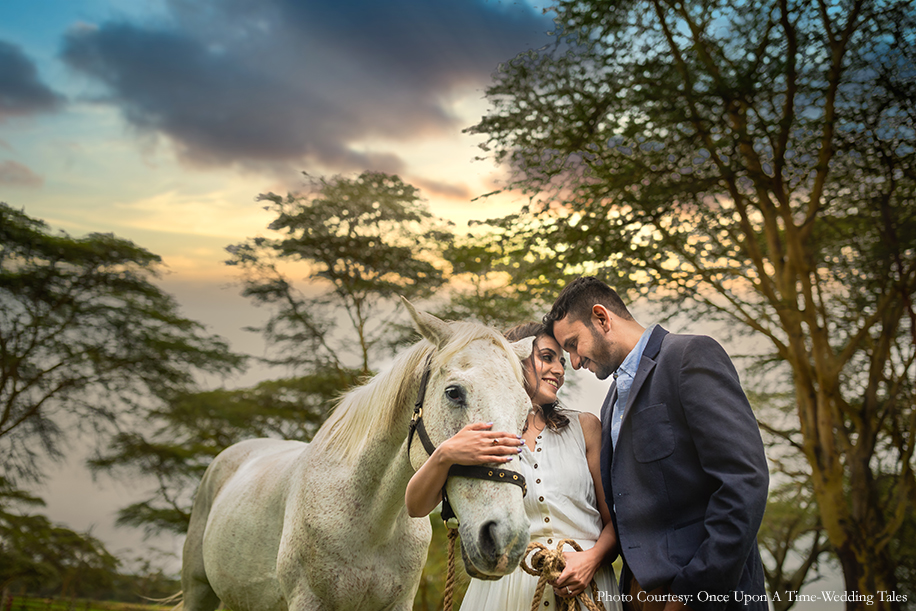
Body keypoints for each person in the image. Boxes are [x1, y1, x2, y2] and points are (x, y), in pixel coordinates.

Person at [543, 277, 769, 611]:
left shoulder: (689, 356)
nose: (574, 362)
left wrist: (692, 593)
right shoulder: (610, 403)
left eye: (574, 344)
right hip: (637, 596)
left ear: (602, 318)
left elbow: (744, 481)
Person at [405, 321, 623, 611]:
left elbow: (616, 522)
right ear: (513, 360)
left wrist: (592, 559)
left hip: (587, 585)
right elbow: (416, 507)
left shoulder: (585, 428)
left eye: (562, 362)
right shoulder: (482, 433)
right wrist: (445, 454)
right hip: (505, 595)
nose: (559, 369)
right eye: (546, 357)